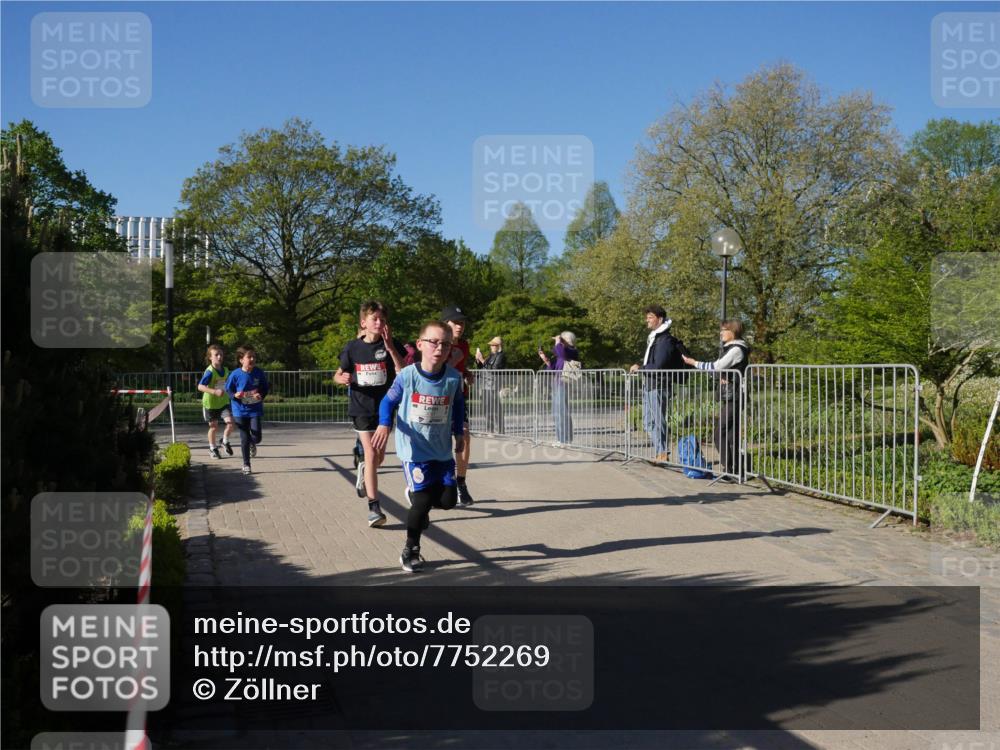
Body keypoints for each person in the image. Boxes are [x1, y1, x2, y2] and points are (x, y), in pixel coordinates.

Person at [372, 320, 466, 573]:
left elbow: (458, 407)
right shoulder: (407, 376)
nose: (440, 348)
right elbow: (386, 402)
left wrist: (459, 433)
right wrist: (384, 425)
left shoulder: (453, 378)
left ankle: (415, 495)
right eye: (434, 342)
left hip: (441, 449)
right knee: (422, 503)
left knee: (448, 501)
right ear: (421, 344)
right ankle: (410, 549)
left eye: (445, 344)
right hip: (414, 451)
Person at [334, 301, 405, 528]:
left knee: (379, 458)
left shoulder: (391, 345)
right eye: (375, 319)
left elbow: (402, 372)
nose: (379, 323)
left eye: (383, 320)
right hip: (360, 407)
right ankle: (374, 508)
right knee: (372, 453)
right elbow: (338, 374)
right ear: (363, 323)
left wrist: (391, 347)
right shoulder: (352, 347)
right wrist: (341, 378)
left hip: (384, 408)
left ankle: (364, 469)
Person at [682, 319, 750, 477]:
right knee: (730, 434)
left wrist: (694, 363)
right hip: (732, 395)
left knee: (720, 433)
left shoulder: (736, 349)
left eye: (724, 330)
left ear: (733, 332)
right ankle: (735, 470)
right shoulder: (732, 348)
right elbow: (720, 369)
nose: (721, 333)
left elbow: (716, 366)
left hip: (735, 396)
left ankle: (730, 468)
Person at [628, 306, 682, 463]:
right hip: (650, 384)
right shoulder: (656, 338)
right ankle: (661, 451)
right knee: (647, 421)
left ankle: (662, 453)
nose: (647, 319)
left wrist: (641, 368)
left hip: (659, 385)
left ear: (660, 319)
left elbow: (659, 365)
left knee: (658, 420)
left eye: (650, 317)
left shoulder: (664, 340)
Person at [442, 306, 475, 506]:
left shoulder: (464, 345)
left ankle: (461, 484)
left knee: (465, 438)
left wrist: (468, 373)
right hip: (438, 400)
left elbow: (461, 367)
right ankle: (440, 482)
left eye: (462, 323)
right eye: (455, 322)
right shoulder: (437, 344)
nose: (459, 326)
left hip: (458, 398)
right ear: (445, 324)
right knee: (441, 444)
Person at [225, 345, 270, 475]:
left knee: (256, 437)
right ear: (241, 359)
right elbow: (228, 390)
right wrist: (234, 395)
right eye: (249, 357)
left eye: (254, 357)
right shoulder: (235, 374)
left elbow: (265, 388)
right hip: (239, 410)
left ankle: (253, 443)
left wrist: (260, 394)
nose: (252, 359)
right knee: (244, 437)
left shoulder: (258, 372)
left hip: (254, 409)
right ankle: (246, 464)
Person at [538, 331, 580, 445]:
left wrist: (558, 341)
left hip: (564, 384)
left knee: (562, 412)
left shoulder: (572, 351)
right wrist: (545, 359)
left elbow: (561, 353)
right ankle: (561, 438)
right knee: (557, 412)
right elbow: (553, 368)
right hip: (557, 385)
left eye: (562, 340)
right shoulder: (562, 354)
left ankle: (564, 440)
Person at [197, 344, 235, 460]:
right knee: (214, 427)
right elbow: (200, 387)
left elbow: (228, 385)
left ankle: (224, 441)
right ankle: (212, 448)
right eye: (216, 355)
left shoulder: (226, 370)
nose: (219, 357)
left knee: (230, 423)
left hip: (223, 402)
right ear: (210, 357)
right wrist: (214, 391)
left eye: (221, 355)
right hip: (211, 404)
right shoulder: (209, 372)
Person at [475, 336, 507, 434]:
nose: (491, 347)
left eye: (493, 345)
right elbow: (482, 367)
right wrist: (478, 360)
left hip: (493, 385)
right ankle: (490, 429)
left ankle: (499, 430)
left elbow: (494, 369)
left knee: (495, 409)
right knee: (487, 408)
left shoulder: (501, 356)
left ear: (499, 346)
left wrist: (482, 359)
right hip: (485, 385)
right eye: (491, 345)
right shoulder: (491, 355)